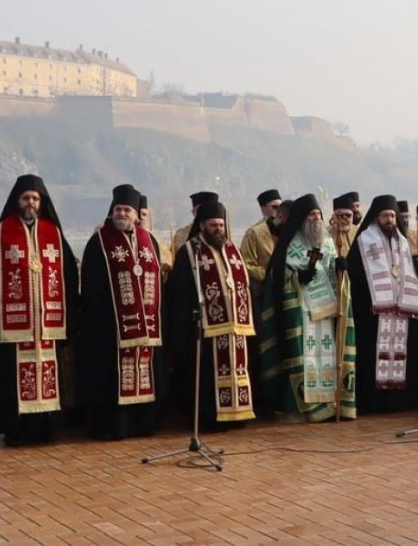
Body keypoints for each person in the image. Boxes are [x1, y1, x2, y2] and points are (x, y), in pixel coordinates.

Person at [0, 175, 79, 446]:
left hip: (48, 322)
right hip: (15, 325)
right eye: (25, 197)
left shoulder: (52, 231)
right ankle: (16, 429)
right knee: (14, 377)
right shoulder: (3, 232)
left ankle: (47, 428)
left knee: (49, 372)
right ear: (16, 201)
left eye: (35, 198)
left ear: (42, 202)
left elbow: (68, 273)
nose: (30, 202)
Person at [257, 194, 356, 422]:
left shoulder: (330, 243)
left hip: (328, 312)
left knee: (329, 358)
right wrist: (296, 277)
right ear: (301, 218)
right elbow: (275, 277)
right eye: (311, 215)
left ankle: (331, 403)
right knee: (307, 357)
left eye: (318, 214)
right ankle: (305, 407)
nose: (316, 218)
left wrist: (341, 268)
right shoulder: (289, 245)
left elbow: (335, 274)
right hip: (303, 314)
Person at [79, 184, 165, 439]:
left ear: (136, 214)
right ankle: (115, 427)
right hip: (111, 327)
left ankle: (144, 424)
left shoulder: (149, 241)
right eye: (118, 209)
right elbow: (91, 287)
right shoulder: (99, 242)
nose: (122, 214)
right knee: (112, 380)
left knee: (145, 374)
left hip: (148, 327)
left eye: (127, 210)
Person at [165, 197, 256, 428]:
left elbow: (242, 286)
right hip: (205, 331)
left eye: (221, 225)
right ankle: (211, 418)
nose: (218, 229)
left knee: (237, 372)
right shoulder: (190, 251)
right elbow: (180, 292)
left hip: (236, 328)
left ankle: (238, 416)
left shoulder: (232, 249)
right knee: (208, 377)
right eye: (214, 225)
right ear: (203, 225)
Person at [347, 195, 418, 412]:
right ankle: (373, 401)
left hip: (399, 311)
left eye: (392, 215)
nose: (389, 219)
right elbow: (355, 272)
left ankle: (396, 399)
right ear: (376, 217)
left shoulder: (403, 241)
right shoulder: (364, 240)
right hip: (372, 311)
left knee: (399, 353)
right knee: (373, 355)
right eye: (385, 215)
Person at [240, 189, 283, 285]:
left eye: (281, 207)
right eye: (275, 207)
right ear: (263, 209)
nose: (279, 211)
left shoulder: (286, 229)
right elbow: (247, 265)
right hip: (264, 288)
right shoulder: (253, 233)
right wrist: (270, 274)